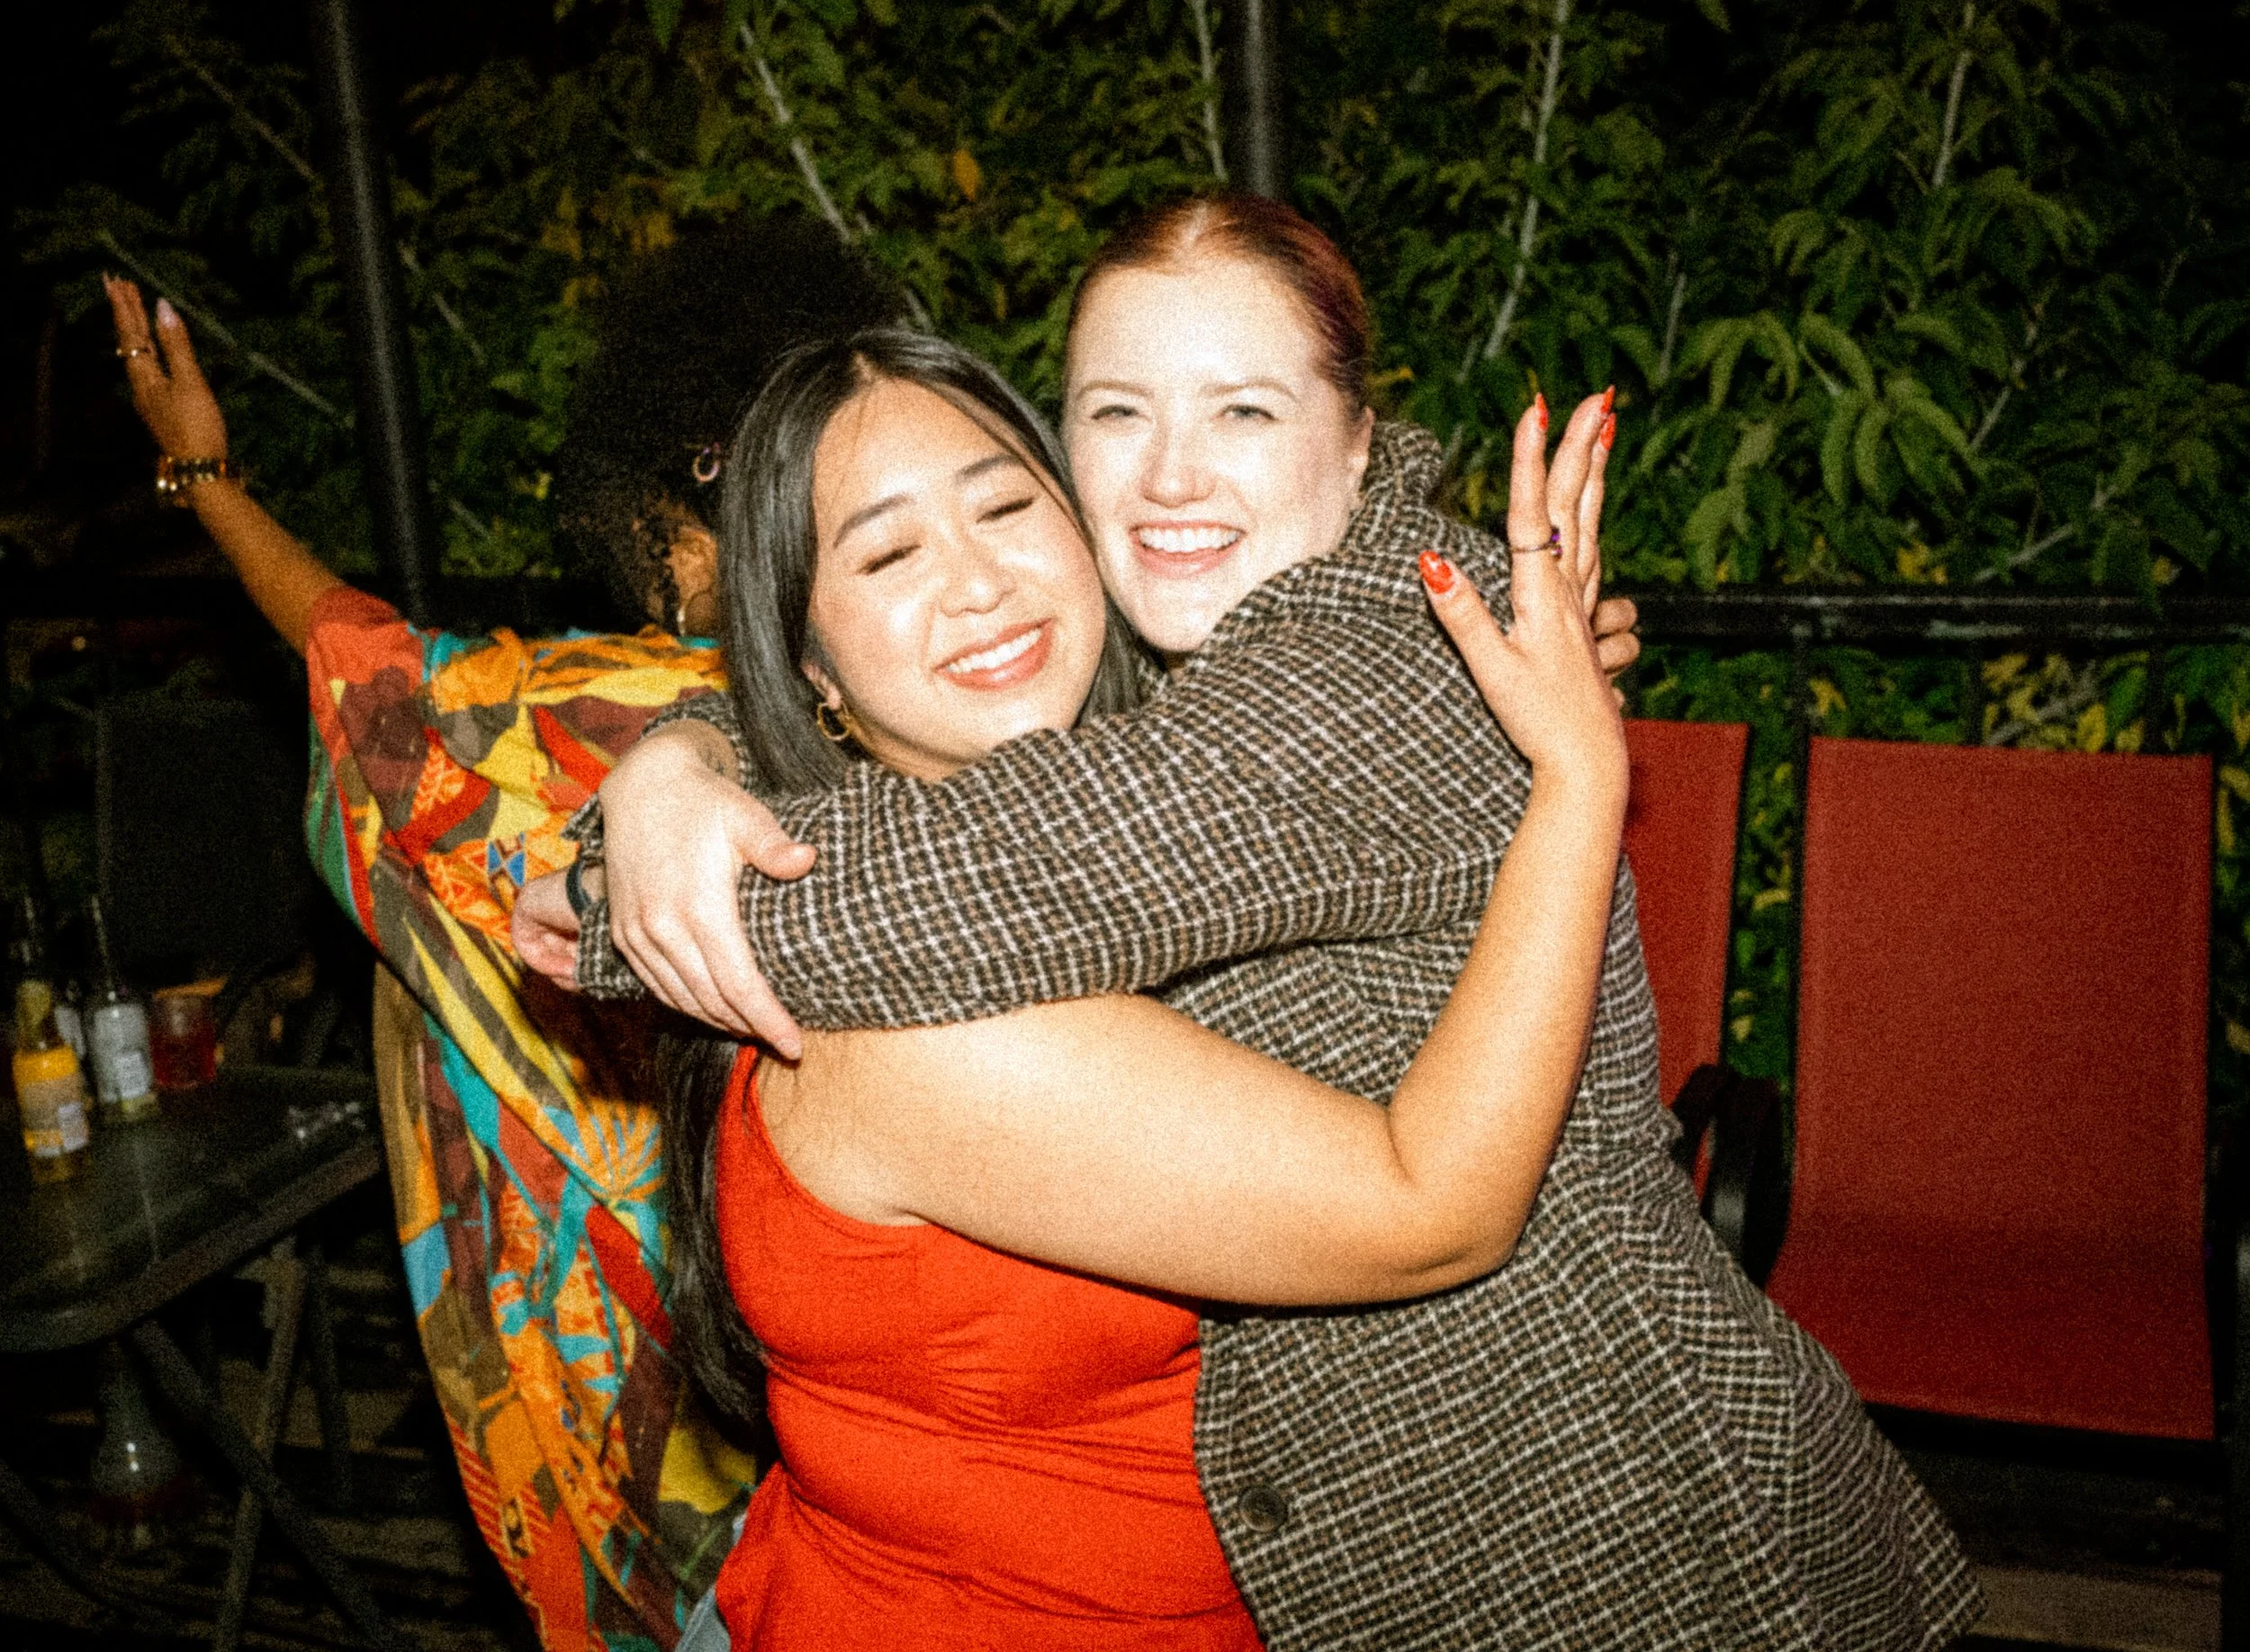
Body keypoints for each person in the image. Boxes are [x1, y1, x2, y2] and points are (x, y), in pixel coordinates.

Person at [519, 193, 1981, 1648]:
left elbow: (969, 881)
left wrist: (616, 883)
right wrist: (680, 758)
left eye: (1243, 414)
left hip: (1629, 1531)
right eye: (1114, 416)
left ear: (1358, 441)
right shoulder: (1181, 674)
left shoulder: (1377, 662)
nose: (1169, 481)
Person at [558, 321, 1628, 1649]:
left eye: (1009, 507)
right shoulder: (915, 1024)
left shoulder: (1126, 821)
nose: (981, 584)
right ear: (816, 670)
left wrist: (679, 754)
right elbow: (1436, 1212)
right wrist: (1581, 780)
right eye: (889, 553)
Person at [100, 215, 905, 1652]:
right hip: (870, 1356)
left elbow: (365, 670)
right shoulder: (912, 695)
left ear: (666, 531)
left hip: (636, 1369)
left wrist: (207, 478)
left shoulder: (568, 721)